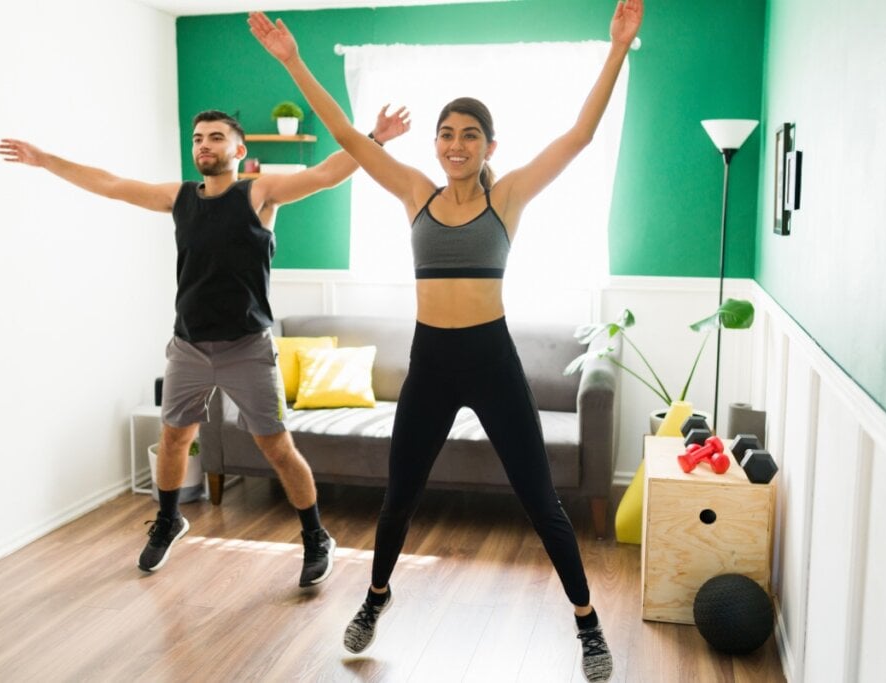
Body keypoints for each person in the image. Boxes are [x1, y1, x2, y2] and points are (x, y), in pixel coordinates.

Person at [247, 1, 642, 680]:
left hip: (491, 359)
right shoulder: (414, 192)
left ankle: (588, 625)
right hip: (430, 361)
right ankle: (376, 597)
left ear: (490, 144)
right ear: (434, 145)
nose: (455, 145)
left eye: (469, 135)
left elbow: (578, 135)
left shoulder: (508, 197)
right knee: (400, 493)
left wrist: (614, 50)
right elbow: (345, 130)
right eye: (445, 134)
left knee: (540, 499)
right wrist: (292, 61)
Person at [0, 106, 411, 586]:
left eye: (215, 138)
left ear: (239, 150)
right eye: (197, 139)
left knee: (276, 448)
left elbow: (324, 174)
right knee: (174, 438)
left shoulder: (259, 193)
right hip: (188, 346)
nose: (204, 146)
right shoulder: (179, 198)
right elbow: (110, 184)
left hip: (247, 348)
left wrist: (375, 139)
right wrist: (46, 160)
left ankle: (316, 536)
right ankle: (170, 519)